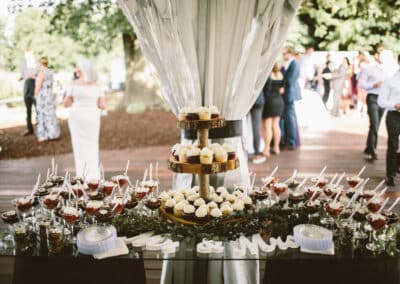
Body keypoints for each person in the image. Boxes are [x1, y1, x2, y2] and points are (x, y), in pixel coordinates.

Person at [63, 59, 106, 179]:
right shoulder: (97, 85)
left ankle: (82, 175)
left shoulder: (73, 84)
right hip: (92, 117)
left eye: (77, 68)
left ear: (83, 70)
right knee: (92, 145)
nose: (75, 70)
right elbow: (102, 105)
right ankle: (94, 176)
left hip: (76, 117)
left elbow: (66, 104)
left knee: (79, 145)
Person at [358, 47, 386, 160]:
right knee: (374, 123)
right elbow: (361, 84)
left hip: (383, 99)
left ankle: (368, 146)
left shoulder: (390, 70)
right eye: (381, 55)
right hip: (373, 98)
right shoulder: (368, 69)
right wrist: (373, 85)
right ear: (376, 56)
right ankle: (373, 150)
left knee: (376, 125)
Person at [378, 55, 400, 186]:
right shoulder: (390, 80)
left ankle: (397, 166)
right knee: (393, 144)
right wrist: (394, 105)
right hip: (394, 115)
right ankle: (390, 174)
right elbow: (381, 101)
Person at [34, 57, 60, 142]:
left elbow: (38, 87)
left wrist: (35, 95)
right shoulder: (50, 72)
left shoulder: (41, 73)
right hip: (49, 93)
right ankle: (53, 133)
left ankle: (43, 135)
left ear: (40, 64)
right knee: (50, 114)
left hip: (43, 95)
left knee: (42, 114)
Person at [281, 46, 301, 150]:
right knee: (287, 117)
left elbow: (290, 80)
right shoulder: (289, 63)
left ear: (290, 53)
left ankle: (292, 141)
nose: (283, 56)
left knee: (290, 118)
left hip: (290, 94)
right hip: (287, 94)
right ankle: (287, 139)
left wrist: (280, 79)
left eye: (285, 54)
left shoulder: (294, 64)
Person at [262, 63, 284, 157]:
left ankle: (266, 149)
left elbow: (265, 90)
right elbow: (282, 91)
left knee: (267, 127)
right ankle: (276, 147)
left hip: (269, 102)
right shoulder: (281, 74)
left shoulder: (267, 75)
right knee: (276, 125)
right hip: (279, 101)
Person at [20, 48, 38, 136]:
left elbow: (37, 74)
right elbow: (23, 74)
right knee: (28, 109)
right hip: (27, 86)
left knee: (38, 108)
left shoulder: (36, 63)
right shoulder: (23, 63)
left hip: (35, 86)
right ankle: (29, 128)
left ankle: (41, 127)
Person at [250, 91, 266, 164]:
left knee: (242, 125)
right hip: (258, 99)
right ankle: (257, 153)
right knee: (256, 127)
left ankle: (239, 152)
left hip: (245, 100)